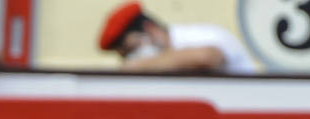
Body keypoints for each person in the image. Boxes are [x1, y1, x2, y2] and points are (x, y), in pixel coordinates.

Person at [97, 2, 258, 75]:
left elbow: (207, 58)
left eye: (131, 49)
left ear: (150, 29)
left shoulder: (200, 36)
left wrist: (138, 66)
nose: (132, 59)